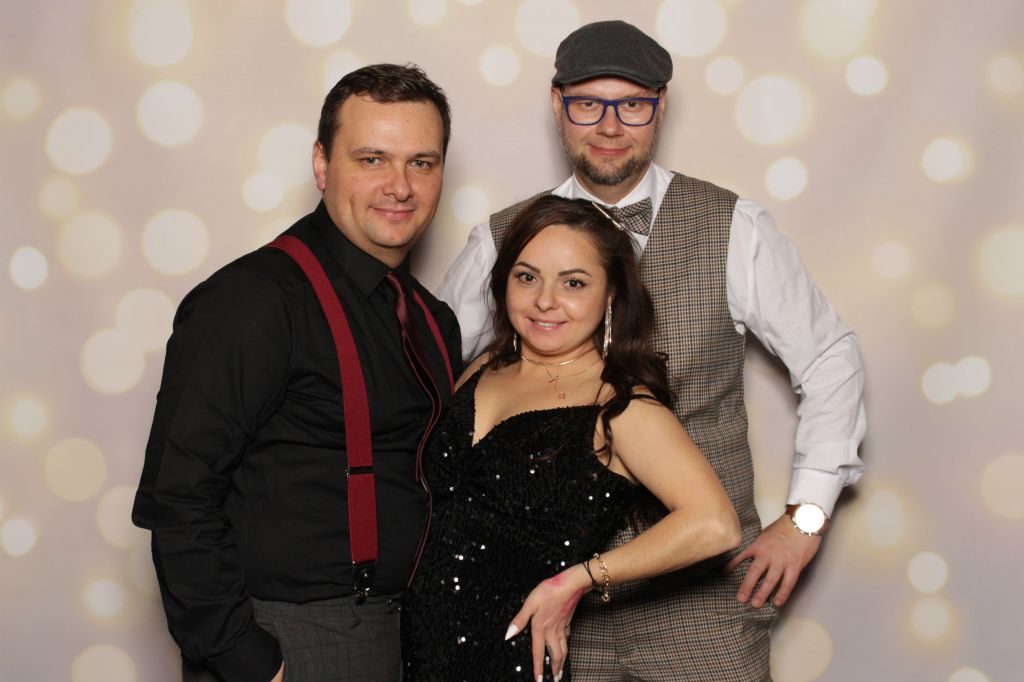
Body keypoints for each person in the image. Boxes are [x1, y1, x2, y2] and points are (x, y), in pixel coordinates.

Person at [438, 20, 867, 681]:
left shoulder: (733, 227)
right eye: (588, 103)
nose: (610, 126)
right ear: (557, 105)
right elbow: (431, 378)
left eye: (632, 105)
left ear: (661, 106)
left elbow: (829, 358)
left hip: (701, 605)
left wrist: (806, 517)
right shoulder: (504, 239)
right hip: (548, 610)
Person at [132, 63, 461, 682]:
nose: (400, 186)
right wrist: (248, 661)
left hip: (406, 635)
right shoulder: (253, 300)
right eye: (372, 159)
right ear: (321, 164)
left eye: (422, 162)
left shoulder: (432, 319)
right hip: (289, 637)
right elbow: (177, 497)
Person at [401, 195, 741, 682]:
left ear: (611, 294)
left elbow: (715, 524)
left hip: (505, 655)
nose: (544, 301)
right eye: (527, 277)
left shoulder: (620, 405)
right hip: (412, 644)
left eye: (573, 283)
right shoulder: (483, 368)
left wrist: (579, 579)